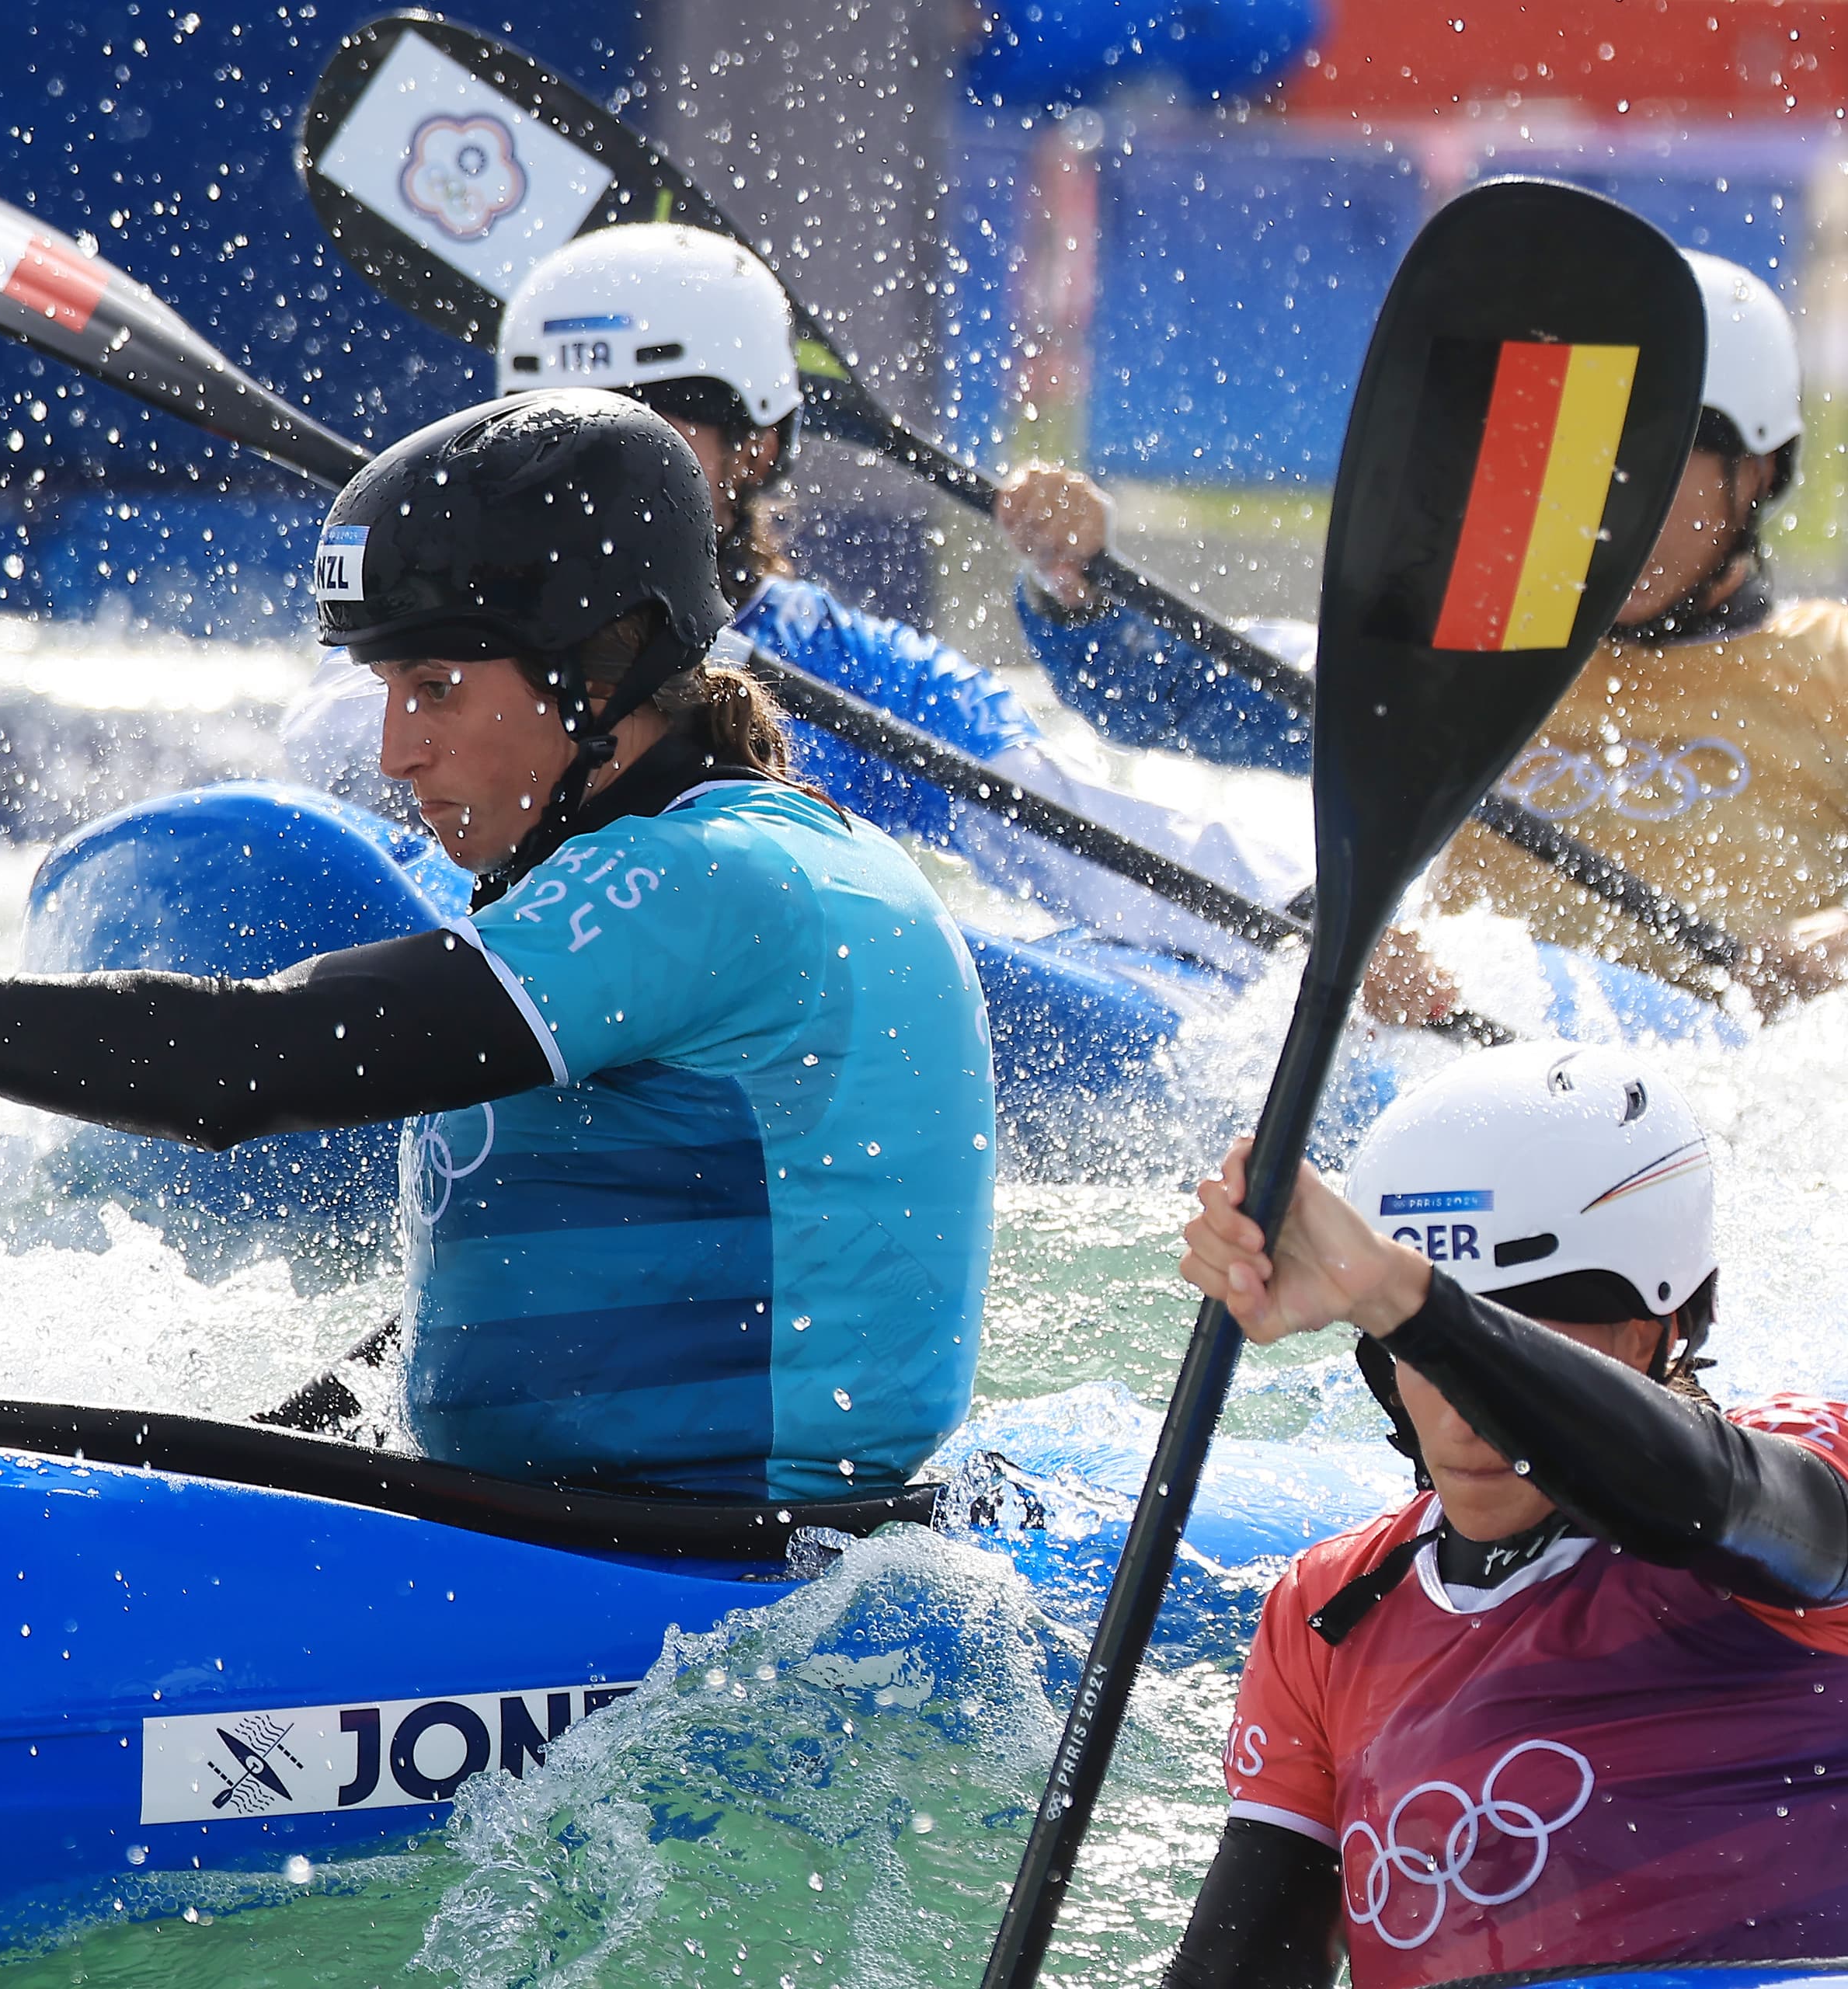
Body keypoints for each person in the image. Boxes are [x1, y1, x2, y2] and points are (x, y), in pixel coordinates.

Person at [0, 391, 998, 1501]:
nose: (397, 749)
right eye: (387, 689)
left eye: (438, 686)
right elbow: (524, 1312)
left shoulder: (705, 881)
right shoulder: (651, 877)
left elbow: (244, 1063)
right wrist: (222, 1462)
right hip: (615, 1542)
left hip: (733, 1588)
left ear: (609, 656)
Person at [291, 224, 1308, 971]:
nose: (592, 473)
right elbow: (320, 758)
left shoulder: (852, 671)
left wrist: (1306, 924)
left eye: (649, 425)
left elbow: (1077, 825)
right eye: (554, 433)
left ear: (756, 448)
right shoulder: (440, 639)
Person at [1000, 249, 1848, 1019]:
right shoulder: (1470, 652)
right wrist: (1080, 584)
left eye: (1660, 461)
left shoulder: (1832, 659)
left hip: (1720, 1085)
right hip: (1475, 1065)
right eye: (1595, 456)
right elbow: (1159, 696)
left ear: (1760, 472)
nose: (1612, 505)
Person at [1164, 1041, 1848, 1987]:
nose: (1463, 1398)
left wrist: (1409, 1296)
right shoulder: (1329, 1611)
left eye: (1511, 1336)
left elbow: (1712, 1496)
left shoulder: (1803, 1471)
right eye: (1422, 1349)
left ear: (1649, 1335)